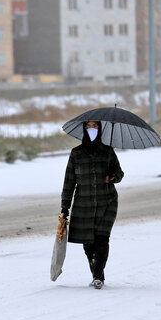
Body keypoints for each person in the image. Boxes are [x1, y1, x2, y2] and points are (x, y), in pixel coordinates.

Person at [61, 120, 124, 289]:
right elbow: (69, 181)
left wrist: (112, 176)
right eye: (88, 126)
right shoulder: (76, 154)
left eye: (95, 126)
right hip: (84, 203)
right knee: (88, 243)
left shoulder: (108, 151)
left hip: (107, 201)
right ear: (83, 129)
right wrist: (64, 207)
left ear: (100, 129)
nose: (92, 129)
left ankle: (97, 277)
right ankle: (97, 272)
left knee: (102, 239)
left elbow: (119, 173)